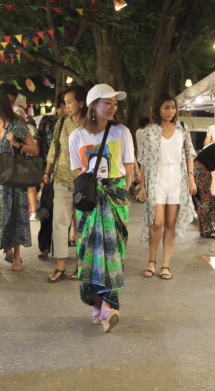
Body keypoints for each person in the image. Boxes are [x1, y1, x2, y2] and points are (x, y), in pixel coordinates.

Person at [69, 84, 135, 333]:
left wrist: (121, 193)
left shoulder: (121, 132)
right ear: (93, 105)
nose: (113, 107)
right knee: (89, 251)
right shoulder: (76, 136)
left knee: (113, 252)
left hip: (115, 197)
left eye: (115, 103)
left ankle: (107, 306)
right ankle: (99, 306)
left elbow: (128, 167)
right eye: (108, 102)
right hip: (89, 200)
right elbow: (80, 173)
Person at [0, 92, 39, 277]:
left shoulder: (18, 126)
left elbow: (34, 149)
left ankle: (17, 257)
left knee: (16, 215)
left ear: (1, 105)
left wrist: (16, 144)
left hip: (15, 178)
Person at [137, 93, 197, 280]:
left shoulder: (182, 128)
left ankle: (165, 265)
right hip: (157, 178)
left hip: (177, 180)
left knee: (171, 223)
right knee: (158, 222)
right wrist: (142, 186)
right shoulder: (149, 131)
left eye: (173, 107)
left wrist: (191, 178)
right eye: (166, 107)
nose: (170, 111)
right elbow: (144, 161)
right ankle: (152, 260)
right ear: (158, 109)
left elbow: (189, 154)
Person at [45, 86, 87, 282]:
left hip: (84, 181)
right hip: (61, 179)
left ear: (81, 103)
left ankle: (82, 264)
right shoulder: (61, 123)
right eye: (65, 103)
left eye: (70, 102)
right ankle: (60, 265)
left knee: (83, 225)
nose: (66, 106)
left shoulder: (91, 124)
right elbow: (54, 147)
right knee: (60, 223)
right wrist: (47, 172)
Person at [36, 92, 68, 260]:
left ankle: (60, 249)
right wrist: (42, 174)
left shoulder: (74, 123)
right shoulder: (47, 121)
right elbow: (39, 146)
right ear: (62, 105)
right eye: (67, 104)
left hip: (66, 175)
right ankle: (44, 246)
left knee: (63, 214)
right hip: (47, 173)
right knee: (45, 211)